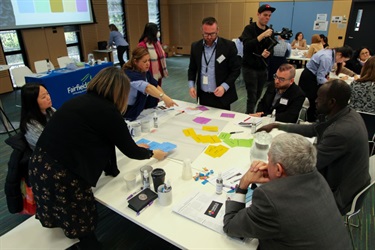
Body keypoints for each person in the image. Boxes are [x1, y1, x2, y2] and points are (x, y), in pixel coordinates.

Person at [28, 67, 168, 249]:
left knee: (62, 213)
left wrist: (119, 161)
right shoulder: (108, 111)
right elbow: (130, 151)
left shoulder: (81, 101)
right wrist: (152, 153)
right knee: (81, 222)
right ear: (120, 91)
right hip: (62, 174)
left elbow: (104, 138)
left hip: (40, 163)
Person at [258, 79, 370, 215]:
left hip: (340, 195)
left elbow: (309, 165)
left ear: (331, 102)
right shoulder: (346, 113)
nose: (315, 101)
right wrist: (279, 125)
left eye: (319, 98)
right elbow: (314, 129)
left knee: (281, 193)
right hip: (344, 178)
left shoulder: (339, 132)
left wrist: (276, 167)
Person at [223, 133, 351, 249]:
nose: (266, 164)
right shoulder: (317, 177)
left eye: (269, 160)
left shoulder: (270, 198)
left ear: (279, 169)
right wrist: (276, 179)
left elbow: (231, 226)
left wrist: (243, 184)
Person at [188, 17, 240, 110]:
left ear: (218, 30)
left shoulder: (228, 46)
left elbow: (236, 70)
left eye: (212, 34)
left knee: (222, 122)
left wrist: (224, 87)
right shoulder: (195, 46)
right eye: (206, 34)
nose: (209, 37)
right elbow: (192, 68)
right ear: (202, 30)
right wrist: (191, 86)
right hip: (203, 95)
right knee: (204, 122)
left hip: (221, 95)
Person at [299, 46, 352, 121]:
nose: (341, 62)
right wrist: (331, 82)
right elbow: (320, 78)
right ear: (339, 54)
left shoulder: (330, 52)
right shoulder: (327, 58)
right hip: (309, 79)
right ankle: (312, 121)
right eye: (343, 60)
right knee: (316, 102)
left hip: (313, 77)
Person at [123, 47, 178, 121]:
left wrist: (165, 98)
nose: (148, 64)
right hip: (130, 111)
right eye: (144, 61)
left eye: (149, 60)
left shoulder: (144, 71)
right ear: (135, 62)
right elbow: (148, 88)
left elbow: (155, 85)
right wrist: (164, 97)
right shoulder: (130, 75)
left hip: (143, 108)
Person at [241, 4, 276, 113]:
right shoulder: (249, 29)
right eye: (265, 15)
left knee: (257, 96)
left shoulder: (270, 31)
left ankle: (251, 115)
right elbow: (247, 45)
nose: (267, 18)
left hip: (262, 67)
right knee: (251, 96)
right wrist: (262, 35)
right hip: (249, 67)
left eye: (269, 16)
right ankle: (248, 117)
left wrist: (268, 53)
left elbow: (272, 47)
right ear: (258, 14)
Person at [20, 83, 55, 150]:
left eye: (47, 94)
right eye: (43, 97)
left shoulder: (50, 110)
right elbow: (46, 146)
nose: (48, 98)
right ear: (33, 102)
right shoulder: (31, 125)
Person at [138, 22, 168, 87]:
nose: (158, 32)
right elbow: (141, 59)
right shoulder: (142, 45)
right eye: (157, 31)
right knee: (152, 89)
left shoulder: (157, 43)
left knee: (158, 87)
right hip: (150, 72)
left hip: (159, 71)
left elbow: (162, 55)